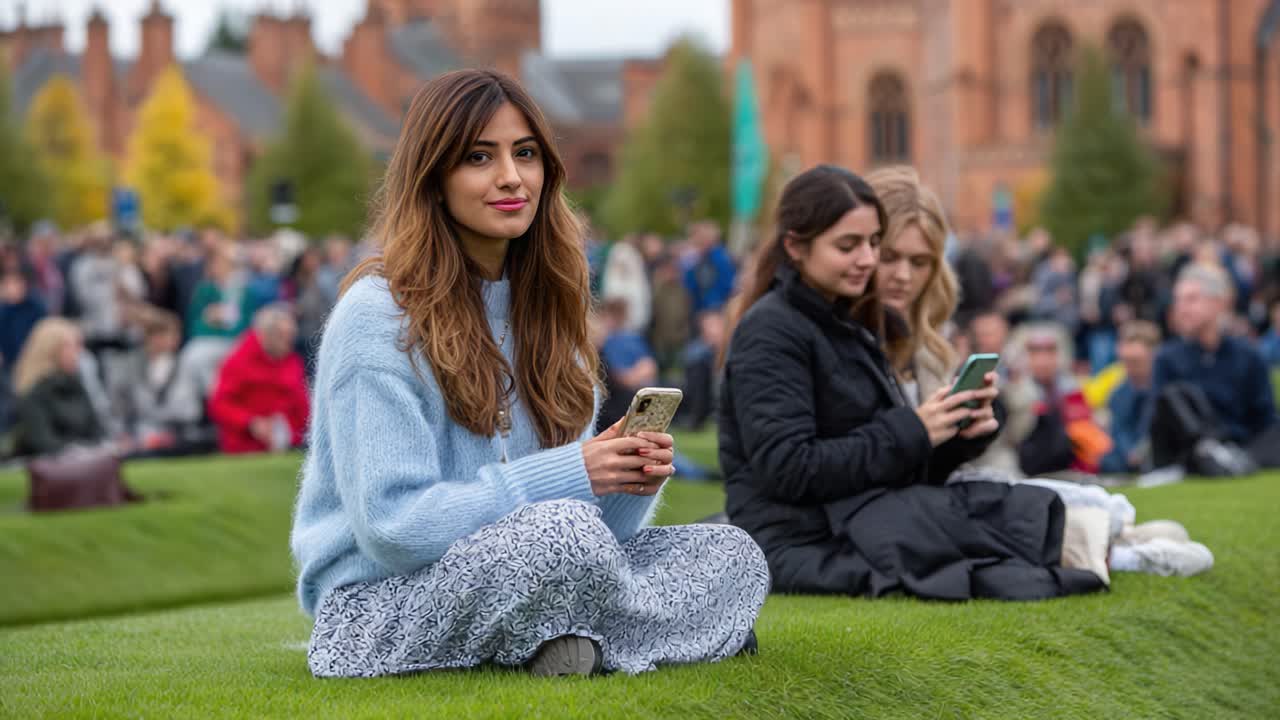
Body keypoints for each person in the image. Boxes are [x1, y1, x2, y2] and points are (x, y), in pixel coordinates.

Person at [291, 70, 767, 680]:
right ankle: (652, 634)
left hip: (541, 564)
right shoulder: (378, 316)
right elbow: (394, 529)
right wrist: (573, 473)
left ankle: (569, 640)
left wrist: (625, 479)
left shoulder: (546, 309)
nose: (511, 177)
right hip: (376, 607)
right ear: (434, 180)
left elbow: (599, 539)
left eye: (526, 154)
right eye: (479, 157)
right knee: (558, 536)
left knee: (732, 551)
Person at [719, 164, 1106, 601]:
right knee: (998, 532)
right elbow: (790, 469)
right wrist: (914, 430)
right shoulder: (772, 330)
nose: (867, 260)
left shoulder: (848, 323)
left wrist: (955, 435)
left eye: (871, 243)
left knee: (1009, 515)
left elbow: (887, 464)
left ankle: (1096, 543)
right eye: (848, 246)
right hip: (805, 539)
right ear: (795, 247)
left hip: (855, 520)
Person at [1145, 263, 1279, 471]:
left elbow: (1265, 420)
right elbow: (1158, 422)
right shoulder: (1166, 358)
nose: (1181, 308)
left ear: (1218, 304)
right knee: (1173, 396)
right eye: (1178, 300)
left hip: (1241, 451)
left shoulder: (1249, 356)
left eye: (1191, 299)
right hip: (1188, 453)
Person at [208, 305, 310, 454]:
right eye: (282, 337)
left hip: (290, 444)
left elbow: (302, 404)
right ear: (265, 335)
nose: (289, 343)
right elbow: (219, 404)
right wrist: (251, 423)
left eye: (291, 337)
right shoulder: (239, 361)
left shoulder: (292, 361)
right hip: (247, 446)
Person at [10, 318, 106, 457]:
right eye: (74, 346)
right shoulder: (33, 393)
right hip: (48, 468)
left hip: (83, 461)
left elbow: (96, 430)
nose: (79, 353)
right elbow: (43, 441)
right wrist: (78, 450)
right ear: (52, 349)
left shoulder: (76, 384)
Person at [1099, 321, 1160, 474]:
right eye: (1126, 362)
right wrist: (1130, 453)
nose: (1131, 368)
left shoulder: (1165, 391)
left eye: (1136, 362)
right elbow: (1119, 431)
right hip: (1125, 460)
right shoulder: (1118, 393)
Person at [186, 244, 254, 341]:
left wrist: (227, 319)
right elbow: (194, 321)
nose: (219, 267)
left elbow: (248, 321)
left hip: (235, 339)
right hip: (207, 339)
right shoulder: (205, 290)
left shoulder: (243, 291)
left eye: (224, 263)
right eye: (215, 263)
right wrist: (208, 317)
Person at [682, 221, 737, 316]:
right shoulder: (701, 258)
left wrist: (711, 311)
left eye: (697, 237)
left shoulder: (718, 260)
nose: (693, 240)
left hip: (709, 316)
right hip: (702, 313)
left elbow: (719, 290)